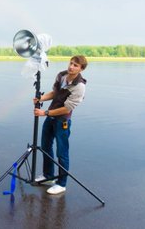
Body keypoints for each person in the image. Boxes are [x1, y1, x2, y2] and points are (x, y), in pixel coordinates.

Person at [33, 55, 88, 195]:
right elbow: (54, 93)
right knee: (45, 146)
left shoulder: (79, 86)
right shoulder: (61, 75)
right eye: (71, 63)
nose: (71, 66)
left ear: (81, 68)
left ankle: (61, 184)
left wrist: (45, 112)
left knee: (62, 153)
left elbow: (67, 108)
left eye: (76, 65)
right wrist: (41, 98)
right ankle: (48, 176)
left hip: (62, 120)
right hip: (50, 116)